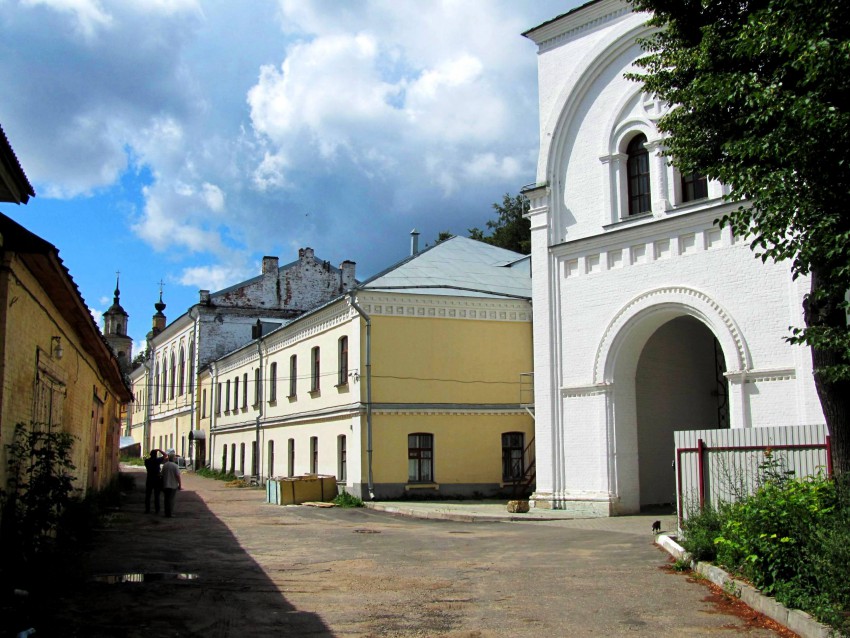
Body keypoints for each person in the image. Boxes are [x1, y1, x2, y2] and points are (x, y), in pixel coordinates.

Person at [144, 448, 167, 514]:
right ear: (156, 455)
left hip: (149, 479)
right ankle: (157, 510)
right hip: (156, 479)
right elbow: (165, 455)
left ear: (150, 454)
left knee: (148, 495)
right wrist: (159, 450)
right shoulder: (157, 460)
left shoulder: (147, 461)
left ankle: (147, 510)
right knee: (156, 496)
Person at [161, 453, 182, 518]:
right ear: (173, 458)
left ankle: (166, 513)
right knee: (171, 500)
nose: (175, 458)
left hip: (165, 485)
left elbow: (162, 475)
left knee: (166, 500)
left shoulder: (165, 465)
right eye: (175, 457)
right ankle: (170, 513)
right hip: (173, 485)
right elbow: (178, 476)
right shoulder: (175, 466)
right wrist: (180, 485)